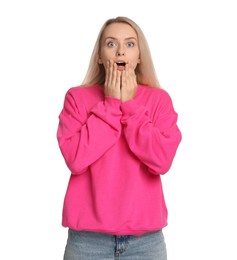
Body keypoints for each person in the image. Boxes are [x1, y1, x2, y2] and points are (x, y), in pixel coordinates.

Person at [57, 16, 182, 260]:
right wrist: (111, 105)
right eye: (111, 44)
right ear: (100, 57)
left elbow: (161, 161)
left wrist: (131, 106)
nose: (121, 51)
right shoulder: (76, 98)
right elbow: (76, 159)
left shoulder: (159, 100)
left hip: (146, 243)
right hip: (87, 242)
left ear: (139, 56)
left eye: (130, 44)